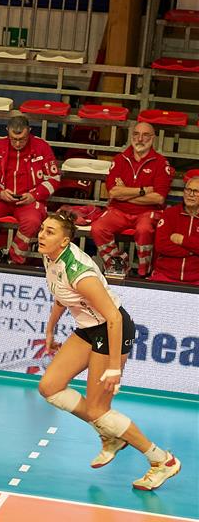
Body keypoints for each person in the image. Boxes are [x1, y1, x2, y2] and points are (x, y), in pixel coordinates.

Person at [37, 211, 180, 491]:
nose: (42, 235)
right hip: (88, 328)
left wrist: (114, 368)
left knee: (98, 409)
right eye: (42, 229)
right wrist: (51, 329)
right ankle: (110, 434)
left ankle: (162, 460)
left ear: (65, 241)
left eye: (49, 232)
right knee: (49, 387)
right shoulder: (50, 256)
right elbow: (61, 295)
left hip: (112, 329)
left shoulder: (80, 273)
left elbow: (113, 317)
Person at [0, 114, 59, 264]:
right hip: (1, 198)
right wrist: (0, 193)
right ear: (7, 131)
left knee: (32, 221)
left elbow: (54, 179)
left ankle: (15, 259)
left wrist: (34, 195)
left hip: (29, 201)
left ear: (29, 131)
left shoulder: (42, 147)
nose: (17, 143)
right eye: (13, 139)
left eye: (22, 139)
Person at [90, 122, 174, 277]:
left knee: (144, 229)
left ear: (153, 138)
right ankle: (117, 263)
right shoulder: (119, 159)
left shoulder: (161, 163)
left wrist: (125, 193)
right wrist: (143, 190)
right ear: (131, 136)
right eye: (136, 134)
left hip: (148, 212)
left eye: (145, 135)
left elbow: (158, 198)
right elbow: (113, 193)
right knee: (97, 228)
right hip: (118, 210)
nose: (140, 139)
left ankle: (145, 272)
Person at [150, 175, 199, 285]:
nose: (191, 194)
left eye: (196, 191)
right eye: (188, 190)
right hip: (166, 275)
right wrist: (192, 251)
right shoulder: (169, 214)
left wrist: (182, 240)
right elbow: (161, 245)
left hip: (196, 279)